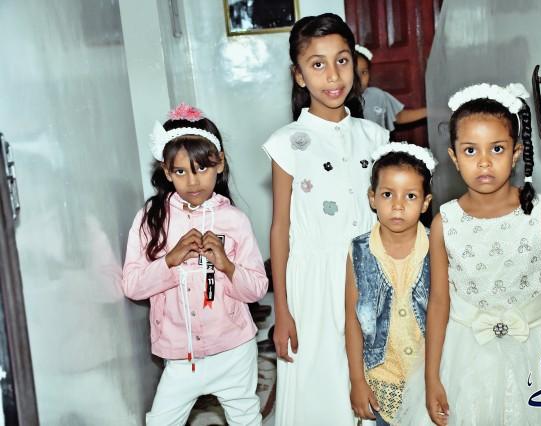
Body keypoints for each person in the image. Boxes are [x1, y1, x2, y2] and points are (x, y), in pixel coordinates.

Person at [424, 83, 541, 425]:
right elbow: (439, 302)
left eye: (497, 149)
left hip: (539, 354)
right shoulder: (445, 222)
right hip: (467, 359)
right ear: (454, 158)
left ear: (515, 153)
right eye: (470, 151)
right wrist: (431, 377)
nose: (484, 161)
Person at [262, 13, 390, 425]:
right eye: (317, 64)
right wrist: (282, 310)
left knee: (374, 383)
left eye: (342, 60)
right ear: (299, 76)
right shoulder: (287, 144)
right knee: (320, 388)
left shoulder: (376, 138)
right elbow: (280, 228)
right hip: (314, 284)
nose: (333, 75)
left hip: (370, 275)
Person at [122, 103, 268, 426]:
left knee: (246, 419)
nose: (192, 181)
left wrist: (228, 266)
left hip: (234, 350)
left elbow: (257, 288)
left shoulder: (234, 220)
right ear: (166, 171)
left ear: (220, 163)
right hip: (179, 356)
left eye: (202, 168)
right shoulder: (151, 219)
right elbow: (132, 285)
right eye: (180, 171)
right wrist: (170, 262)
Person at [345, 142, 436, 426]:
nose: (398, 205)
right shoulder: (358, 251)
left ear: (425, 203)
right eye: (387, 194)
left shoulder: (437, 246)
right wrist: (357, 381)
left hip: (432, 377)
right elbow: (352, 319)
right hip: (382, 381)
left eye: (410, 196)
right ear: (372, 198)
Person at [355, 45, 427, 131]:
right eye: (354, 72)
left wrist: (430, 111)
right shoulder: (341, 102)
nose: (359, 78)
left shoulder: (377, 95)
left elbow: (398, 116)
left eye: (364, 72)